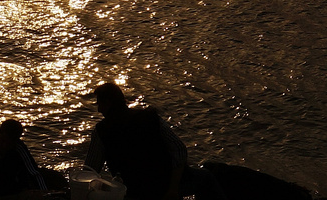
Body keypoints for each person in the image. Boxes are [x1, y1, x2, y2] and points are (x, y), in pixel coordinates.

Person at [83, 84, 223, 200]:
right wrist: (173, 189)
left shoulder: (101, 131)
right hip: (164, 186)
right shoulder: (150, 118)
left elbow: (90, 169)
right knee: (207, 177)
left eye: (99, 104)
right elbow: (179, 150)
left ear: (108, 103)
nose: (98, 109)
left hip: (132, 192)